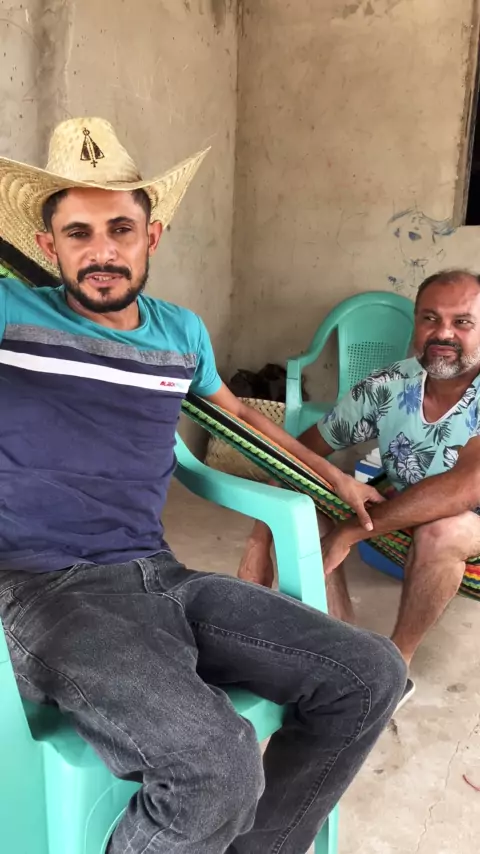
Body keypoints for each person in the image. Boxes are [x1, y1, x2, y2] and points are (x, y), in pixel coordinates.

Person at [0, 117, 405, 854]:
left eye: (121, 229)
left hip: (158, 574)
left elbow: (242, 418)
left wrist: (331, 477)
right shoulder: (11, 317)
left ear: (151, 238)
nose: (102, 252)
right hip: (44, 588)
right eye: (78, 233)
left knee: (369, 672)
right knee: (215, 767)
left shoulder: (180, 333)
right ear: (47, 246)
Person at [240, 268, 480, 704]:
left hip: (467, 521)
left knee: (443, 529)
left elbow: (463, 489)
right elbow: (302, 455)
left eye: (462, 321)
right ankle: (345, 645)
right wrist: (260, 536)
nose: (443, 333)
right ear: (415, 324)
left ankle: (394, 667)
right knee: (308, 497)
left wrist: (349, 531)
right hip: (406, 504)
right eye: (430, 318)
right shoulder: (389, 386)